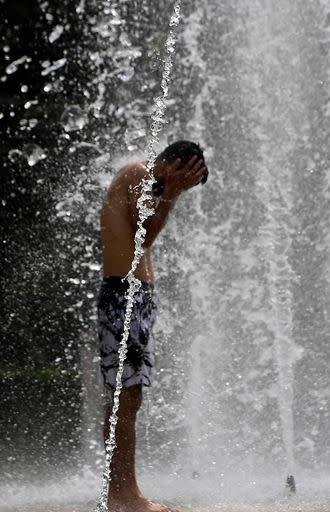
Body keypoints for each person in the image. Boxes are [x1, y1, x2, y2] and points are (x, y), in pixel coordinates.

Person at [98, 140, 207, 512]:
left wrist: (172, 193)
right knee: (123, 399)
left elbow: (140, 242)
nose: (178, 186)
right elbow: (145, 236)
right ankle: (126, 496)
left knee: (128, 398)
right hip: (123, 294)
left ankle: (119, 494)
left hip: (135, 296)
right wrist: (172, 196)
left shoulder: (147, 180)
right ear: (172, 164)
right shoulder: (139, 173)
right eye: (183, 177)